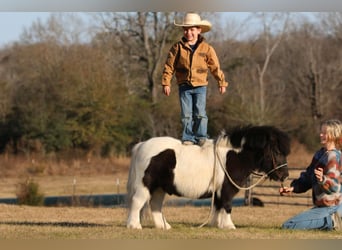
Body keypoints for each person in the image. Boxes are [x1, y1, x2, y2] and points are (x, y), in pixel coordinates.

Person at [162, 13, 228, 146]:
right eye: (186, 29)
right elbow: (169, 66)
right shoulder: (177, 48)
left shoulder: (207, 49)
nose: (189, 32)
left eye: (192, 29)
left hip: (200, 86)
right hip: (184, 86)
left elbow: (215, 67)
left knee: (200, 113)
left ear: (199, 30)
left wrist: (221, 82)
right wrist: (166, 82)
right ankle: (188, 137)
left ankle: (201, 136)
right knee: (186, 114)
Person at [279, 119, 342, 230]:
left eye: (324, 132)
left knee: (289, 226)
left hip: (333, 208)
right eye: (321, 132)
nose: (321, 134)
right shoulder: (320, 154)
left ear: (333, 135)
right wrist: (293, 188)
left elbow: (335, 186)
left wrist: (323, 179)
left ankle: (334, 221)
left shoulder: (333, 157)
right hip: (322, 207)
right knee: (290, 225)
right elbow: (308, 177)